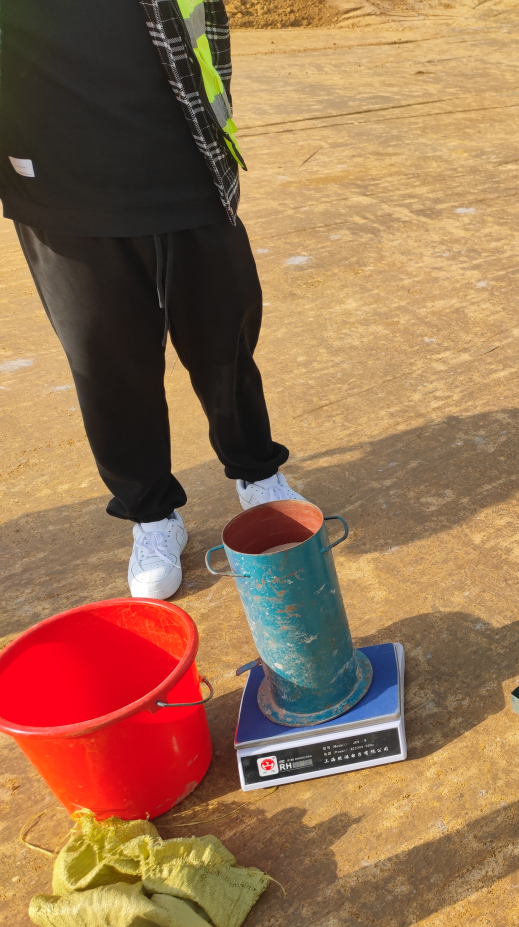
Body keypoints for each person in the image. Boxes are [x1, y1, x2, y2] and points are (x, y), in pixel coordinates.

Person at [0, 0, 305, 599]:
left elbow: (206, 32)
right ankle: (153, 516)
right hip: (59, 192)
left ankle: (257, 475)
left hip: (185, 167)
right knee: (108, 370)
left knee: (225, 343)